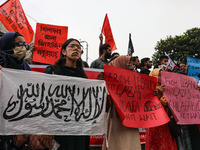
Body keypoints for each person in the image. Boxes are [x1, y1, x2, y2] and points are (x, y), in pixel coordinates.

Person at [0, 32, 52, 150]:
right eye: (19, 44)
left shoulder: (25, 67)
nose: (22, 47)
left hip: (24, 118)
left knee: (47, 145)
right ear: (7, 45)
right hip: (5, 121)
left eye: (25, 45)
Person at [44, 38, 90, 150]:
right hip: (58, 126)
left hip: (79, 128)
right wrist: (46, 130)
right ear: (64, 52)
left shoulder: (83, 77)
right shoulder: (52, 71)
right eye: (72, 46)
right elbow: (44, 100)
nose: (76, 49)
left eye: (79, 47)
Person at [102, 55, 141, 150]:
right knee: (118, 143)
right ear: (120, 65)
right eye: (129, 63)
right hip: (116, 119)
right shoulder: (108, 82)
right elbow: (104, 106)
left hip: (131, 119)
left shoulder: (134, 81)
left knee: (131, 143)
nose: (132, 66)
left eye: (131, 63)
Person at [145, 68, 178, 150]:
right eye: (160, 75)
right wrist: (159, 95)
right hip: (155, 125)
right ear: (154, 76)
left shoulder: (168, 89)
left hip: (166, 124)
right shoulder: (149, 90)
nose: (163, 77)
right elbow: (150, 107)